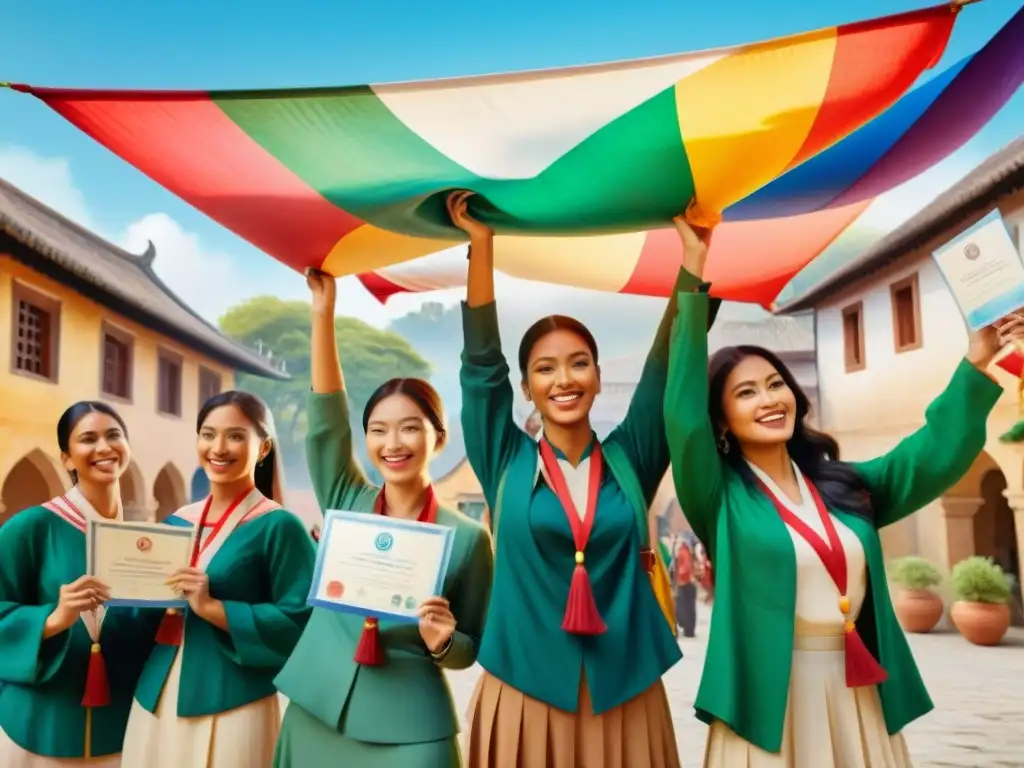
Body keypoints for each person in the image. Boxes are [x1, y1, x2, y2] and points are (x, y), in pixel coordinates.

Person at [664, 217, 1022, 767]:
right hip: (771, 701)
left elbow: (923, 459)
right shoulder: (720, 498)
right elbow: (682, 417)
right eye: (746, 393)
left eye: (776, 383)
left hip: (857, 690)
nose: (769, 399)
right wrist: (692, 273)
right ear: (721, 422)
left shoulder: (843, 486)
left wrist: (976, 360)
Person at [452, 190, 720, 768]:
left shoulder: (632, 457)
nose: (564, 379)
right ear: (526, 387)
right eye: (544, 369)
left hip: (622, 689)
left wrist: (693, 265)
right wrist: (481, 247)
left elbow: (665, 372)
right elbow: (480, 369)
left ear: (598, 376)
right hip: (524, 688)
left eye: (579, 363)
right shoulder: (506, 458)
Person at [272, 268, 494, 768]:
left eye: (409, 428)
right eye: (378, 430)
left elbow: (470, 647)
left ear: (438, 437)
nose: (392, 444)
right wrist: (322, 313)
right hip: (318, 706)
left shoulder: (468, 538)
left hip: (411, 725)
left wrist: (442, 641)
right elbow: (326, 423)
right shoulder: (346, 497)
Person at [121, 391, 315, 767]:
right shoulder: (176, 523)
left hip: (233, 698)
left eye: (236, 436)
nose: (219, 448)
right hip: (157, 691)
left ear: (263, 448)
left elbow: (303, 620)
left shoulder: (279, 525)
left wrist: (213, 608)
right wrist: (120, 591)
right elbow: (144, 617)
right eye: (208, 434)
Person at [0, 401, 158, 765]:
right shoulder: (31, 528)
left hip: (119, 727)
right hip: (38, 726)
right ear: (67, 458)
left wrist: (172, 607)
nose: (103, 447)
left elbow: (144, 636)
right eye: (88, 439)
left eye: (114, 435)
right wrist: (53, 619)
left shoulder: (146, 543)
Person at [674, 540, 698, 638]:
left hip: (685, 582)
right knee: (690, 608)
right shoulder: (688, 551)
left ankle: (688, 630)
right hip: (690, 582)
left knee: (685, 607)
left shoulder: (683, 551)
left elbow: (685, 568)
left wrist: (681, 576)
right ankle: (689, 630)